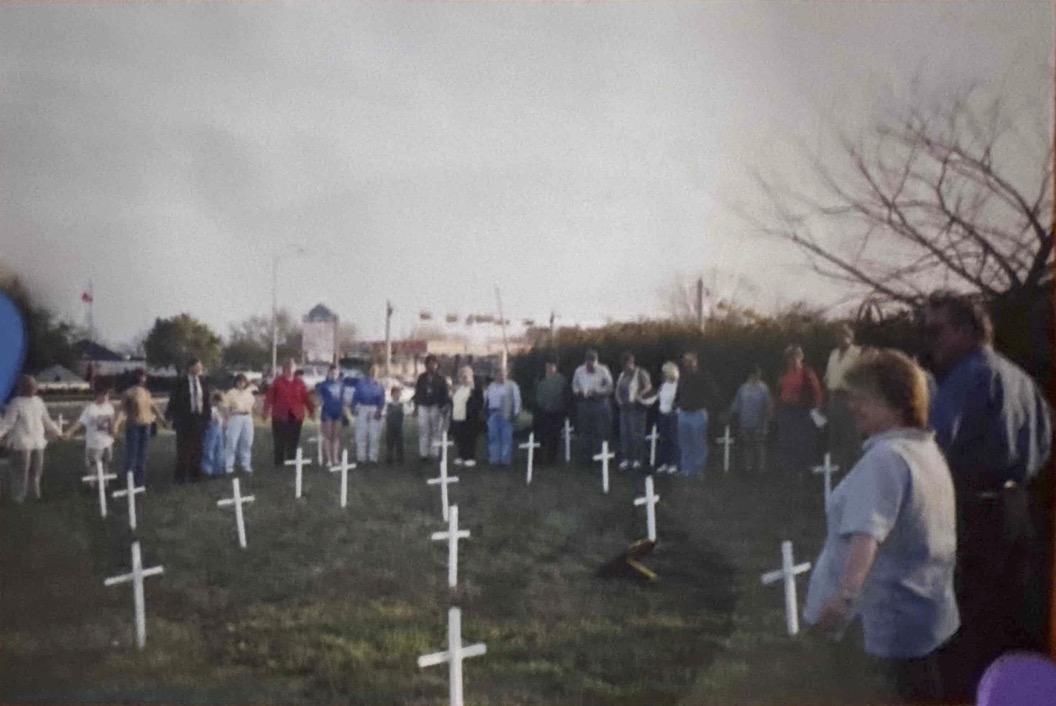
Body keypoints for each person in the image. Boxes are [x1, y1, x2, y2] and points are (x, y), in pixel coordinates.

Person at [804, 349, 959, 704]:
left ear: (895, 401)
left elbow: (867, 535)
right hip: (922, 618)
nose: (852, 406)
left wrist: (842, 601)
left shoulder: (886, 459)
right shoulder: (925, 451)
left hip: (880, 630)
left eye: (862, 398)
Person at [922, 291, 1053, 701]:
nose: (932, 341)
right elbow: (1047, 443)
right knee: (1014, 626)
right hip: (1021, 513)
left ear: (966, 330)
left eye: (936, 330)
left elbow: (933, 447)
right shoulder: (1023, 380)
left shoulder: (969, 375)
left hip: (976, 514)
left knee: (968, 632)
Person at [0, 375, 62, 502]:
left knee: (36, 472)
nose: (34, 388)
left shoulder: (39, 402)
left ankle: (34, 496)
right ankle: (19, 498)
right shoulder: (16, 403)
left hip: (38, 442)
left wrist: (59, 433)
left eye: (34, 386)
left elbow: (47, 421)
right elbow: (7, 423)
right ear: (23, 387)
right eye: (31, 386)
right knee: (21, 472)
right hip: (21, 443)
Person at [775, 344, 825, 475]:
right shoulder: (784, 373)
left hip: (801, 411)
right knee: (787, 440)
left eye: (794, 357)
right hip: (786, 410)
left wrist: (817, 408)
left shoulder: (807, 373)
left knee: (803, 441)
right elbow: (779, 391)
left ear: (800, 357)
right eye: (789, 358)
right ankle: (789, 469)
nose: (791, 360)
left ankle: (804, 470)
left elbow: (817, 392)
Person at [825, 324, 864, 474]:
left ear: (850, 337)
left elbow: (861, 378)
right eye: (837, 335)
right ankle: (837, 470)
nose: (840, 338)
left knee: (852, 435)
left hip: (850, 397)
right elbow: (829, 376)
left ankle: (855, 470)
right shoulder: (833, 354)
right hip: (834, 397)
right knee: (835, 434)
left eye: (843, 335)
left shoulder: (857, 353)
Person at [674, 351, 720, 478]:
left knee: (698, 442)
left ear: (695, 362)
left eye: (689, 361)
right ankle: (686, 469)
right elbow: (678, 393)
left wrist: (704, 403)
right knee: (685, 442)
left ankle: (698, 470)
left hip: (698, 413)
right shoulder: (682, 377)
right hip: (684, 413)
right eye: (685, 361)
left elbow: (713, 393)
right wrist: (678, 404)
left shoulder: (704, 376)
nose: (686, 364)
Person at [64, 387, 122, 486]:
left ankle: (105, 483)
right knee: (93, 464)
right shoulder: (90, 409)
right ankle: (91, 484)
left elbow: (112, 424)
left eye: (107, 395)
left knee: (106, 462)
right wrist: (69, 432)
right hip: (95, 441)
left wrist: (113, 431)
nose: (105, 397)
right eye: (103, 395)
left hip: (107, 441)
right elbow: (80, 422)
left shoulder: (109, 408)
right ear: (97, 396)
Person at [166, 358, 212, 484]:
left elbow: (207, 401)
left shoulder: (203, 382)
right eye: (197, 366)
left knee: (198, 448)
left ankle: (195, 475)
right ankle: (180, 476)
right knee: (183, 448)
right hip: (184, 419)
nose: (200, 369)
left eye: (201, 366)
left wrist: (207, 418)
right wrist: (170, 415)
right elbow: (173, 399)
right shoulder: (181, 382)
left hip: (199, 419)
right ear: (190, 368)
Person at [262, 358, 315, 466]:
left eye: (292, 367)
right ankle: (279, 462)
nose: (289, 370)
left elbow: (306, 398)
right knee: (279, 439)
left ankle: (291, 460)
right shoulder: (277, 382)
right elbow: (269, 398)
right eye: (287, 368)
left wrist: (312, 411)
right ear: (283, 369)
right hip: (280, 415)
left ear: (294, 369)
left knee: (293, 439)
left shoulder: (299, 383)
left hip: (296, 415)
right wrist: (265, 412)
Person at [120, 369, 167, 487]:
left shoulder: (146, 392)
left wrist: (162, 419)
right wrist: (115, 425)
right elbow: (121, 410)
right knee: (132, 453)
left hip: (146, 425)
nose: (144, 378)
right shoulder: (128, 392)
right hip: (133, 426)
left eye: (145, 376)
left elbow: (153, 406)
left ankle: (140, 482)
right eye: (142, 376)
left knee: (142, 454)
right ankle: (129, 481)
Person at [571, 349, 614, 464]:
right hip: (584, 403)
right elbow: (574, 385)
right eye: (589, 365)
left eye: (593, 364)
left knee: (600, 430)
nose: (591, 367)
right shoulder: (579, 371)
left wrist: (598, 392)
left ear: (597, 361)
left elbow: (610, 386)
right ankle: (586, 457)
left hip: (600, 403)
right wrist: (579, 392)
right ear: (586, 362)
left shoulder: (603, 370)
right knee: (585, 430)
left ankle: (600, 456)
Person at [729, 366, 773, 474]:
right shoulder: (743, 388)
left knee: (759, 445)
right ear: (750, 375)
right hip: (746, 421)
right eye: (755, 375)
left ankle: (761, 468)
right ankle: (748, 467)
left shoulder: (764, 388)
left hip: (760, 422)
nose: (756, 377)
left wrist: (768, 417)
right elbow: (737, 404)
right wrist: (730, 413)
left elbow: (768, 404)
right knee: (747, 445)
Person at [614, 352, 653, 470]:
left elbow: (648, 387)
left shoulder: (640, 373)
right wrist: (619, 400)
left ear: (631, 363)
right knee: (625, 434)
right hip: (624, 408)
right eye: (623, 366)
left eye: (626, 365)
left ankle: (637, 459)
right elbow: (618, 389)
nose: (625, 368)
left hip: (637, 409)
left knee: (636, 434)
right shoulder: (622, 375)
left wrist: (638, 395)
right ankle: (627, 458)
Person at [413, 355, 450, 463]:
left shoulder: (441, 379)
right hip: (423, 406)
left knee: (435, 430)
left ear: (437, 365)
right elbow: (417, 393)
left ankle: (434, 452)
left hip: (436, 406)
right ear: (426, 365)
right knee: (424, 430)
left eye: (434, 364)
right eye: (429, 363)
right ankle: (423, 454)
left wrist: (444, 407)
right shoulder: (421, 378)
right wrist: (416, 407)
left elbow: (445, 394)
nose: (432, 366)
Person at [484, 367, 522, 468]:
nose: (502, 377)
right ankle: (494, 460)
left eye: (504, 374)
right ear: (495, 375)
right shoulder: (491, 386)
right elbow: (486, 399)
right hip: (493, 413)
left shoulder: (512, 385)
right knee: (493, 437)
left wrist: (515, 413)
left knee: (506, 438)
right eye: (500, 374)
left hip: (506, 413)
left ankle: (505, 461)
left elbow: (517, 400)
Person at [533, 358, 568, 466]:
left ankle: (551, 459)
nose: (549, 368)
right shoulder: (539, 379)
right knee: (540, 436)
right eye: (548, 365)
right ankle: (538, 459)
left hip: (556, 413)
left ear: (556, 367)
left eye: (552, 365)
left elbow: (565, 396)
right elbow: (535, 393)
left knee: (554, 436)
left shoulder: (562, 380)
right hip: (542, 412)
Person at [352, 364, 386, 465]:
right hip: (362, 407)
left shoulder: (379, 385)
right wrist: (354, 407)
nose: (374, 372)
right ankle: (361, 458)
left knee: (374, 435)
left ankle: (373, 458)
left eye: (376, 370)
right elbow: (355, 396)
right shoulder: (361, 383)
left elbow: (382, 399)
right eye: (372, 370)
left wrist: (379, 411)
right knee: (361, 434)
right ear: (369, 371)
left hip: (374, 408)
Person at [222, 373, 256, 474]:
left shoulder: (248, 393)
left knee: (247, 441)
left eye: (243, 382)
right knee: (232, 441)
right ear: (236, 382)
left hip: (247, 418)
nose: (241, 384)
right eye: (239, 381)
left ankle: (246, 464)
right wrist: (228, 417)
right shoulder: (231, 393)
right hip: (235, 417)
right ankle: (229, 466)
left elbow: (252, 406)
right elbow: (225, 407)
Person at [450, 366, 483, 467]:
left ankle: (470, 457)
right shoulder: (459, 388)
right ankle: (461, 456)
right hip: (457, 417)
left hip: (470, 418)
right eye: (462, 375)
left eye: (466, 375)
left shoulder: (475, 388)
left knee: (469, 438)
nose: (464, 378)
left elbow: (479, 402)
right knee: (460, 438)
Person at [315, 365, 346, 467]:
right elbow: (318, 399)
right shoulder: (323, 385)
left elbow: (343, 399)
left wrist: (344, 410)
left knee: (335, 436)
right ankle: (328, 460)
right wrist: (317, 405)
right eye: (332, 373)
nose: (334, 375)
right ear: (328, 373)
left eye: (336, 373)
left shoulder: (341, 385)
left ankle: (335, 458)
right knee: (328, 436)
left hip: (338, 411)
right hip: (327, 411)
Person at [655, 362, 680, 474]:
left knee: (673, 440)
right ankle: (665, 463)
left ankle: (674, 463)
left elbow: (678, 401)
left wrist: (672, 409)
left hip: (673, 415)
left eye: (664, 372)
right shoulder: (663, 385)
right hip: (662, 414)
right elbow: (659, 397)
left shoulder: (677, 385)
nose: (662, 374)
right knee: (663, 440)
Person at [200, 391, 226, 477]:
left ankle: (218, 468)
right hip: (212, 428)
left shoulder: (220, 410)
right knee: (209, 448)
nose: (221, 404)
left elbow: (223, 420)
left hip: (219, 428)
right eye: (220, 401)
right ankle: (207, 469)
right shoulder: (211, 409)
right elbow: (210, 419)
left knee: (219, 448)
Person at [385, 385, 406, 464]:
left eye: (398, 393)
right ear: (391, 394)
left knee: (399, 442)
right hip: (390, 427)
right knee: (389, 442)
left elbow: (406, 413)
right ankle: (389, 457)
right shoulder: (388, 405)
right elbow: (385, 414)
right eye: (395, 393)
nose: (397, 395)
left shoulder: (402, 405)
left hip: (399, 427)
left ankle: (400, 458)